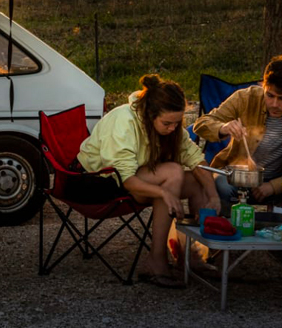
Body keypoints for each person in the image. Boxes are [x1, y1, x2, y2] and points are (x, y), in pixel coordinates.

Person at [71, 74, 219, 288]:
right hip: (95, 182)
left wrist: (213, 195)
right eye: (167, 123)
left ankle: (191, 256)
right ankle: (155, 261)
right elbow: (126, 179)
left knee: (196, 181)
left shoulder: (172, 128)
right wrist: (164, 193)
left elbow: (196, 159)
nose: (172, 129)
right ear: (150, 115)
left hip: (132, 177)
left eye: (177, 123)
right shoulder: (124, 121)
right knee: (173, 173)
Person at [192, 57, 282, 214]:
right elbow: (201, 124)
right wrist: (223, 127)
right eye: (269, 95)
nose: (274, 104)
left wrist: (274, 186)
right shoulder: (244, 98)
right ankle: (231, 226)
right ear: (263, 85)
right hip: (241, 179)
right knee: (221, 184)